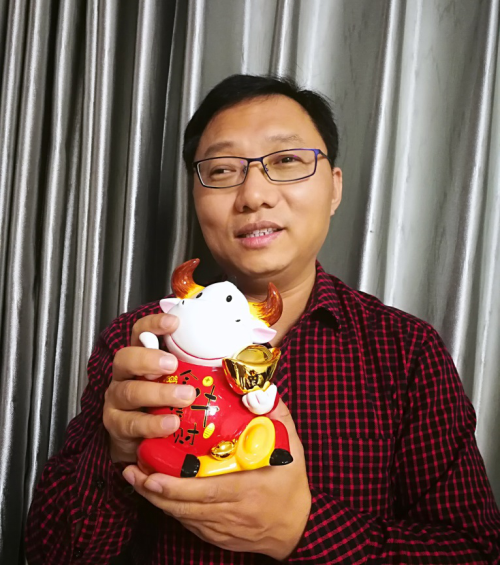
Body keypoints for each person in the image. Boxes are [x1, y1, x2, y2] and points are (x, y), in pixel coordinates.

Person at [25, 74, 500, 565]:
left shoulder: (406, 350)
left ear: (334, 189)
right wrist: (116, 453)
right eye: (222, 170)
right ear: (195, 197)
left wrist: (300, 530)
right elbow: (48, 553)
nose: (254, 195)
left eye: (287, 161)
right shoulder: (139, 343)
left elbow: (475, 552)